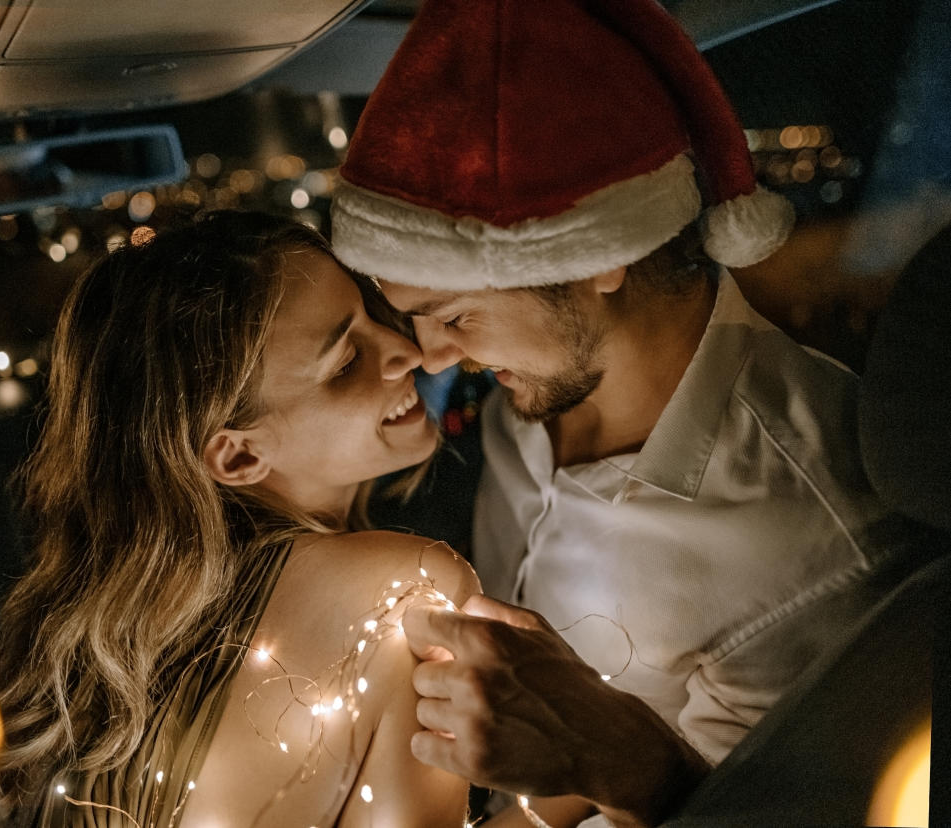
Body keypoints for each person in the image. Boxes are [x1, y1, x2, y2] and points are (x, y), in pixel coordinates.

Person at [329, 0, 922, 825]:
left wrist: (621, 758)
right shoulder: (525, 404)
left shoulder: (806, 538)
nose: (430, 357)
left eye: (454, 314)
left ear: (597, 259)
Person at [0, 210, 482, 827]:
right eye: (347, 361)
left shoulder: (114, 663)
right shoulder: (404, 594)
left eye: (370, 317)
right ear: (240, 454)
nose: (406, 351)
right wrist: (587, 778)